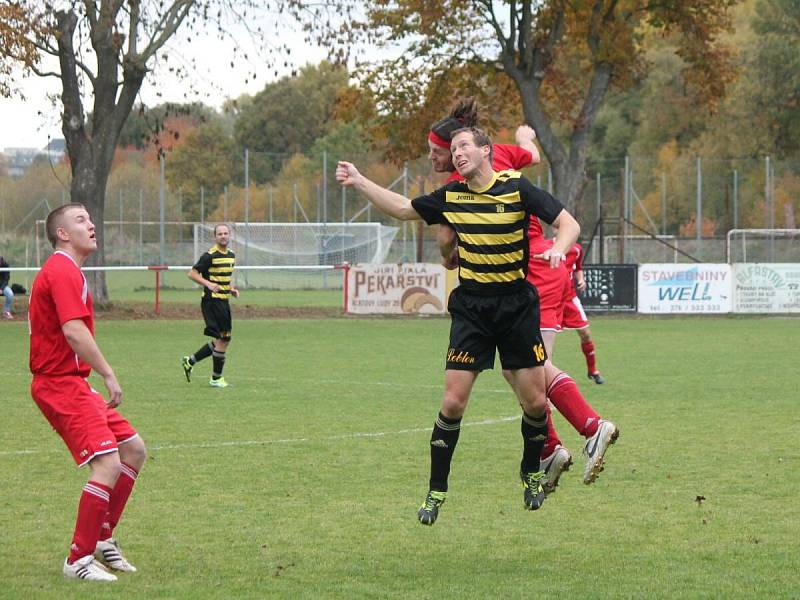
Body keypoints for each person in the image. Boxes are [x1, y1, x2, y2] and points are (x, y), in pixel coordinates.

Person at [337, 127, 580, 526]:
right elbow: (401, 208)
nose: (457, 152)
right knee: (452, 403)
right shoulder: (451, 196)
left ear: (486, 151)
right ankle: (436, 490)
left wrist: (557, 247)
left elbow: (568, 223)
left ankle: (532, 471)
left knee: (536, 403)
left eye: (464, 145)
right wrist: (361, 180)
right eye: (454, 149)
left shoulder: (517, 187)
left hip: (516, 306)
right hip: (473, 309)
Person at [428, 100, 617, 493]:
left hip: (524, 270)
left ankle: (591, 427)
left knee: (533, 365)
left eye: (436, 152)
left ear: (457, 148)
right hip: (543, 264)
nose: (434, 159)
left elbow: (447, 245)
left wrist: (451, 253)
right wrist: (525, 136)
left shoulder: (455, 187)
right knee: (518, 371)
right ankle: (550, 449)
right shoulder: (499, 153)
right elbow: (529, 153)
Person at [28, 203, 147, 582]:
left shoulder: (70, 270)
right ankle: (78, 559)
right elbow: (74, 331)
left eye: (90, 219)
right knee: (107, 463)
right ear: (62, 233)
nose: (91, 225)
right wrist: (109, 374)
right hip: (59, 383)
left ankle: (102, 539)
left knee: (133, 449)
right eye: (81, 220)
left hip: (73, 382)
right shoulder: (61, 269)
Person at [181, 223, 239, 388]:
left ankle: (190, 361)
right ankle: (215, 378)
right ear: (215, 237)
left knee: (222, 339)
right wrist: (208, 284)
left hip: (223, 300)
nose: (223, 236)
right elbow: (191, 273)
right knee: (224, 338)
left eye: (225, 233)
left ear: (230, 236)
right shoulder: (209, 256)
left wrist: (231, 289)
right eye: (219, 233)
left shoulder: (231, 255)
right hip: (211, 301)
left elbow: (226, 276)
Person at [563, 242, 605, 384]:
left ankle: (593, 370)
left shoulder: (577, 249)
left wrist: (581, 279)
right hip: (552, 299)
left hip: (570, 299)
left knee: (585, 334)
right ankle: (540, 376)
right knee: (546, 339)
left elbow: (578, 268)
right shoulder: (550, 246)